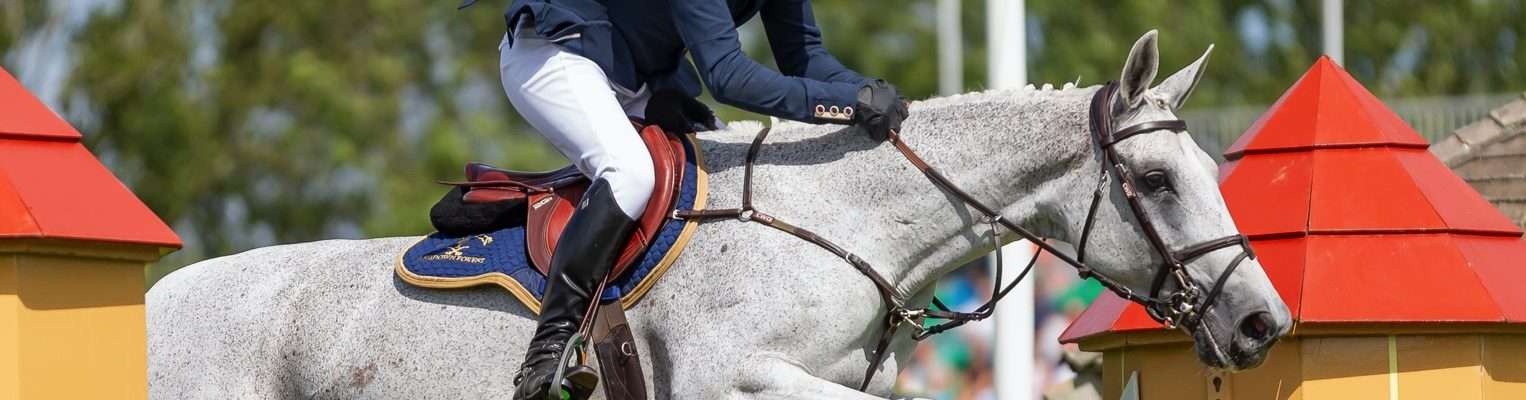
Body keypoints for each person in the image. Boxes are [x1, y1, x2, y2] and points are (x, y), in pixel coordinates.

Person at [464, 0, 910, 397]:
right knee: (630, 173)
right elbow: (727, 76)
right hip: (557, 52)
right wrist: (850, 104)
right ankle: (549, 350)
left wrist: (871, 93)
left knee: (722, 163)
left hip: (636, 73)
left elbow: (804, 56)